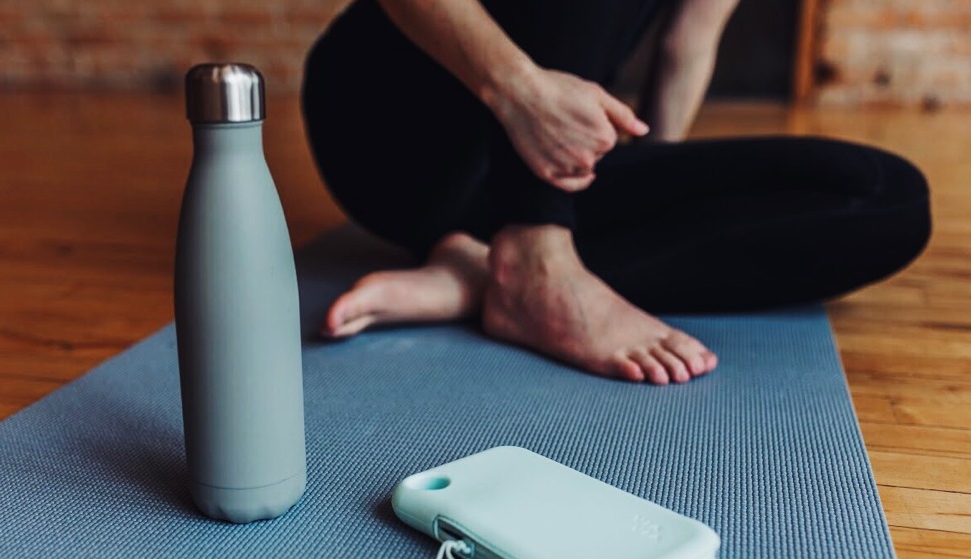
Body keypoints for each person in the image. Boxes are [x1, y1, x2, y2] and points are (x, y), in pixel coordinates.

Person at [301, 0, 931, 384]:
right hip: (392, 132)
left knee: (887, 199)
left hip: (543, 166)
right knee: (534, 205)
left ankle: (486, 278)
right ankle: (536, 258)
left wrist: (655, 187)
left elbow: (686, 46)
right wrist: (518, 90)